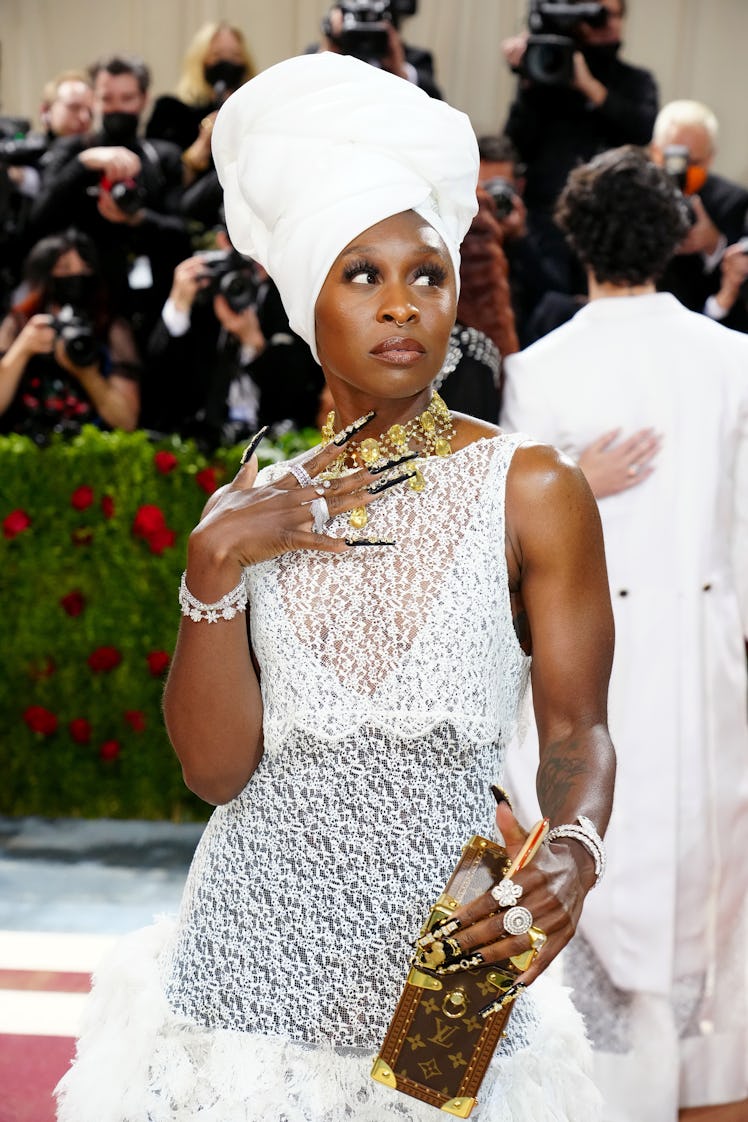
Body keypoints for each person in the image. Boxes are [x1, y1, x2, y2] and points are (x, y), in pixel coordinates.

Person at [55, 52, 615, 1122]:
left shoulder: (530, 486)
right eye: (362, 275)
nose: (402, 304)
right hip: (248, 945)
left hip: (448, 953)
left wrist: (575, 849)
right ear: (307, 297)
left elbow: (577, 732)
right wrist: (209, 569)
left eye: (426, 274)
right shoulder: (251, 501)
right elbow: (216, 771)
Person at [500, 145, 748, 1122]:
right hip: (702, 660)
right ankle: (705, 1083)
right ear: (680, 236)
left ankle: (594, 1093)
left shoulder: (534, 371)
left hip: (578, 669)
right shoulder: (732, 361)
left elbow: (509, 544)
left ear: (573, 240)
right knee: (708, 888)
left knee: (586, 878)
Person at [30, 53, 190, 351]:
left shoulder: (162, 157)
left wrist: (137, 218)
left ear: (144, 99)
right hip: (88, 307)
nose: (117, 108)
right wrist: (83, 164)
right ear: (94, 100)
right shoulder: (74, 151)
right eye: (107, 99)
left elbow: (183, 233)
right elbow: (37, 221)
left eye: (127, 98)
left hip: (155, 307)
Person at [502, 0, 658, 297]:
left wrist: (589, 86)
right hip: (546, 220)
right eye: (594, 14)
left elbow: (641, 129)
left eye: (609, 14)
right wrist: (529, 82)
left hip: (608, 221)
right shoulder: (547, 77)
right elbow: (516, 142)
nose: (603, 22)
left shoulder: (636, 81)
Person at [143, 236, 323, 442]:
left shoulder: (289, 303)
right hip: (202, 440)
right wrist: (178, 306)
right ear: (222, 241)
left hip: (272, 441)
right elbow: (159, 383)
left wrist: (254, 344)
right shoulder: (205, 296)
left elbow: (298, 396)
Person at [0, 228, 140, 436]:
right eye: (64, 268)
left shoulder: (111, 328)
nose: (76, 276)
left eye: (85, 268)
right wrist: (22, 350)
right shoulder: (19, 324)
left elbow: (127, 421)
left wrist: (87, 374)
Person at [650, 99, 748, 334]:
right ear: (655, 151)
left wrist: (715, 246)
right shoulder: (634, 197)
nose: (682, 171)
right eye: (674, 159)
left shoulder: (731, 203)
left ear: (711, 157)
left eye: (693, 162)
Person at [146, 20, 255, 155]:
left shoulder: (254, 111)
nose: (227, 62)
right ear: (200, 61)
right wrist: (202, 144)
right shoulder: (171, 111)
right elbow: (160, 167)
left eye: (235, 55)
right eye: (217, 55)